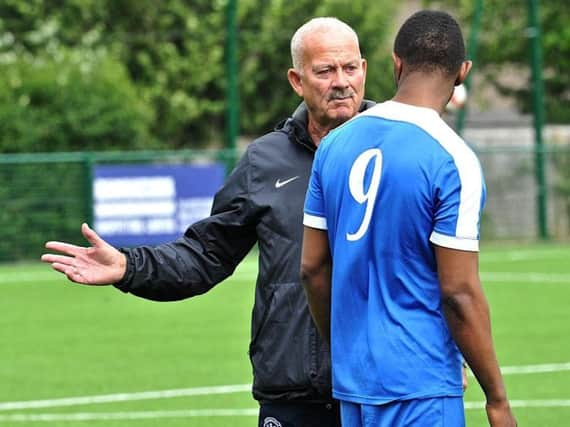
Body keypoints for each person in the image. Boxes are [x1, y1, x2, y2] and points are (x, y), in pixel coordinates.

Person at [41, 17, 371, 427]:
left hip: (382, 386)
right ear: (296, 80)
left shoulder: (397, 148)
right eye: (325, 71)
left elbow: (433, 264)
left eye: (350, 68)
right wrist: (129, 267)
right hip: (294, 394)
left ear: (365, 69)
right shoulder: (264, 162)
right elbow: (205, 254)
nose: (341, 81)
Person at [301, 10, 516, 427]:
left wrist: (345, 349)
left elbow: (312, 268)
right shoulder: (454, 159)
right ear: (462, 73)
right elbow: (459, 292)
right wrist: (497, 400)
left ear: (395, 63)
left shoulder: (333, 146)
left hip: (355, 388)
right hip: (421, 384)